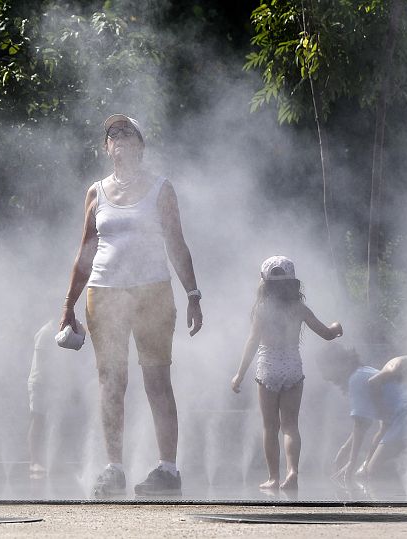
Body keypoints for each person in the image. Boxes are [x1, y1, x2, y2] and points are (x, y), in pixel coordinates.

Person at [59, 114, 203, 498]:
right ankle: (114, 468)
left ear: (141, 145)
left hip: (152, 290)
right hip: (104, 292)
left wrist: (193, 294)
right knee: (111, 382)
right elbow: (85, 252)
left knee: (157, 380)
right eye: (112, 134)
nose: (119, 139)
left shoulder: (161, 189)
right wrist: (68, 304)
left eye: (127, 133)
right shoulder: (96, 192)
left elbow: (177, 243)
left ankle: (168, 470)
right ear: (106, 148)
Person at [231, 256, 342, 491]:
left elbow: (252, 342)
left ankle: (273, 477)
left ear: (264, 283)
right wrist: (336, 328)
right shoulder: (299, 308)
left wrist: (239, 374)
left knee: (270, 427)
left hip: (268, 367)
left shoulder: (261, 310)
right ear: (293, 283)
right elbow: (326, 334)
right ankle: (292, 472)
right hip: (292, 366)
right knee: (290, 425)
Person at [318, 345, 407, 485]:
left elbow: (361, 425)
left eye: (325, 368)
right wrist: (344, 451)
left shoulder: (355, 379)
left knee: (370, 473)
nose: (324, 376)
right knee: (366, 472)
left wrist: (351, 461)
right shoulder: (362, 372)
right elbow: (365, 423)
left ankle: (393, 500)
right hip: (406, 415)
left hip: (405, 417)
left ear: (340, 364)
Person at [28, 319, 92, 478]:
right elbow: (44, 364)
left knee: (58, 421)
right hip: (40, 383)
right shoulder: (45, 332)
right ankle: (34, 461)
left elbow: (69, 362)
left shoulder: (64, 331)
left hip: (56, 383)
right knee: (38, 420)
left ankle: (55, 459)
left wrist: (71, 385)